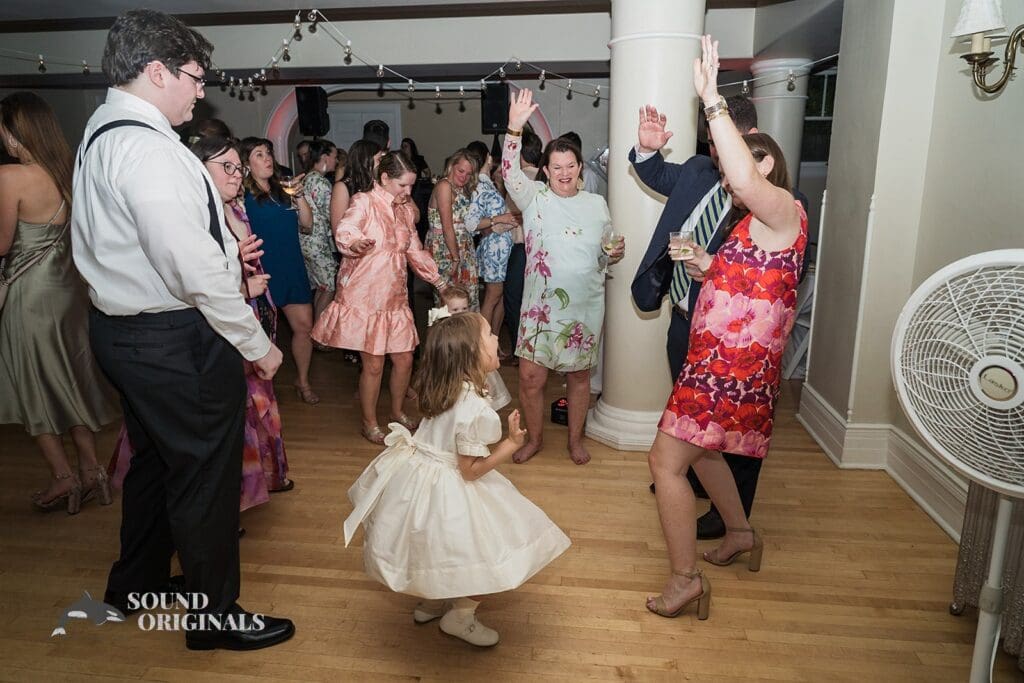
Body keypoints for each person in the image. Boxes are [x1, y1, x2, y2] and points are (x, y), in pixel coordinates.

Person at [71, 9, 293, 650]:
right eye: (196, 77)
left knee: (152, 464)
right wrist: (259, 345)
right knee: (203, 475)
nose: (202, 91)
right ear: (157, 70)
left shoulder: (103, 127)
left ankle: (133, 583)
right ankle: (215, 620)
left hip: (124, 334)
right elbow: (191, 267)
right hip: (171, 337)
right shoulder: (145, 147)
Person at [645, 35, 807, 620]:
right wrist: (701, 264)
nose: (730, 161)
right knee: (705, 452)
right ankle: (740, 532)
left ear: (767, 163)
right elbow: (746, 281)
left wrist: (712, 99)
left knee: (665, 463)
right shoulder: (752, 228)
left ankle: (684, 580)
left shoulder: (783, 207)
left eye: (744, 152)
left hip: (727, 370)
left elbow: (740, 182)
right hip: (717, 362)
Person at [341, 311, 570, 646]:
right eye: (490, 335)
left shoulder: (442, 387)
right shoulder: (473, 408)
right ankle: (459, 617)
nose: (496, 339)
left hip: (418, 480)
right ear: (470, 356)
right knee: (482, 557)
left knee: (432, 547)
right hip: (449, 487)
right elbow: (470, 470)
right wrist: (511, 444)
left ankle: (433, 598)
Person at [108, 134, 294, 506]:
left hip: (241, 320)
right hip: (212, 329)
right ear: (196, 169)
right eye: (226, 167)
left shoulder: (235, 209)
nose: (237, 175)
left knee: (250, 409)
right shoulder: (188, 217)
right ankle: (226, 505)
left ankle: (253, 487)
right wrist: (243, 287)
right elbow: (188, 286)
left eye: (238, 168)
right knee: (222, 423)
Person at [630, 94, 774, 540]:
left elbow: (772, 276)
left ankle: (730, 516)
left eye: (721, 141)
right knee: (689, 412)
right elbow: (656, 174)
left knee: (733, 426)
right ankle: (685, 477)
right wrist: (649, 149)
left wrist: (714, 264)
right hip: (681, 315)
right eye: (711, 142)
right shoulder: (698, 169)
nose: (715, 151)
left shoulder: (773, 197)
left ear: (748, 138)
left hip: (730, 337)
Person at [0, 91, 118, 514]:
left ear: (16, 133)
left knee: (34, 385)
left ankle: (63, 478)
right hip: (69, 292)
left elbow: (2, 244)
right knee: (69, 380)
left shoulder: (10, 175)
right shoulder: (69, 172)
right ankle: (92, 471)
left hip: (28, 292)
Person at [501, 89, 624, 466]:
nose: (565, 172)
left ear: (580, 167)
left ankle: (575, 441)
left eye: (571, 165)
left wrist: (611, 253)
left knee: (579, 379)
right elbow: (509, 173)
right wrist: (514, 129)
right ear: (546, 171)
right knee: (530, 379)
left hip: (584, 307)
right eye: (557, 167)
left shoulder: (596, 204)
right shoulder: (534, 198)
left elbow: (603, 253)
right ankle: (535, 440)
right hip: (540, 308)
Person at [311, 152, 446, 444]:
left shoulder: (406, 210)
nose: (408, 192)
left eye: (411, 186)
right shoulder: (364, 201)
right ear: (384, 179)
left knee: (405, 359)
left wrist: (439, 281)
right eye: (402, 186)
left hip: (394, 297)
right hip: (366, 296)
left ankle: (397, 411)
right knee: (373, 364)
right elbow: (344, 229)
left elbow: (414, 250)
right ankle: (369, 422)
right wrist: (354, 242)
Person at [241, 136, 319, 404]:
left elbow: (307, 225)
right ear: (246, 164)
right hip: (262, 271)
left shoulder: (282, 191)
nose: (268, 159)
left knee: (304, 327)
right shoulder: (242, 196)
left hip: (292, 266)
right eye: (259, 155)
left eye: (268, 153)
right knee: (262, 333)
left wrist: (299, 197)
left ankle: (303, 380)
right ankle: (262, 388)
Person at [465, 140, 519, 356]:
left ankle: (493, 342)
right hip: (494, 250)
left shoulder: (486, 183)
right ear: (488, 157)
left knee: (501, 296)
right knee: (492, 295)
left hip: (502, 248)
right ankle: (482, 346)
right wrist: (500, 218)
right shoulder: (479, 185)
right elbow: (471, 224)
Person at [502, 129, 541, 357]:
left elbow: (509, 217)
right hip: (542, 251)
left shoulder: (517, 181)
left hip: (521, 249)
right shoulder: (545, 179)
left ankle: (521, 350)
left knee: (514, 298)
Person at [441, 286, 511, 411]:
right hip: (456, 371)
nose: (460, 312)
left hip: (476, 368)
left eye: (464, 308)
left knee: (484, 398)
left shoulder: (473, 324)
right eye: (455, 309)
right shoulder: (445, 331)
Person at [426, 149, 480, 310]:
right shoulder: (444, 186)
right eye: (461, 170)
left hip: (463, 247)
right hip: (445, 250)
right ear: (451, 166)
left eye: (469, 174)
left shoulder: (462, 189)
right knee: (448, 304)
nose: (464, 176)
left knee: (466, 300)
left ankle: (466, 335)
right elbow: (447, 226)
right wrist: (456, 258)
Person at [301, 139, 339, 325]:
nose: (336, 161)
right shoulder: (321, 183)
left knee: (321, 287)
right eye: (334, 156)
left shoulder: (308, 178)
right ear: (324, 157)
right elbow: (331, 215)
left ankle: (316, 329)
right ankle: (320, 333)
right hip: (317, 242)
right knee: (330, 285)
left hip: (307, 242)